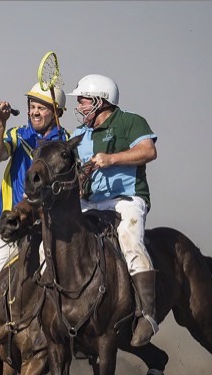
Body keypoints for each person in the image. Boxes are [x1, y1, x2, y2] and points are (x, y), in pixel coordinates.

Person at [0, 83, 69, 360]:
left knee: (59, 280)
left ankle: (68, 337)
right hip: (15, 225)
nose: (35, 112)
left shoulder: (67, 143)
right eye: (32, 106)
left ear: (57, 111)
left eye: (42, 107)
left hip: (51, 229)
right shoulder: (18, 134)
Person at [67, 74, 159, 347]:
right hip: (89, 203)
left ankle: (148, 314)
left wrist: (111, 159)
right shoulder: (78, 134)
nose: (79, 106)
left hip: (125, 199)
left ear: (99, 101)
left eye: (82, 101)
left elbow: (148, 151)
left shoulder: (130, 121)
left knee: (130, 241)